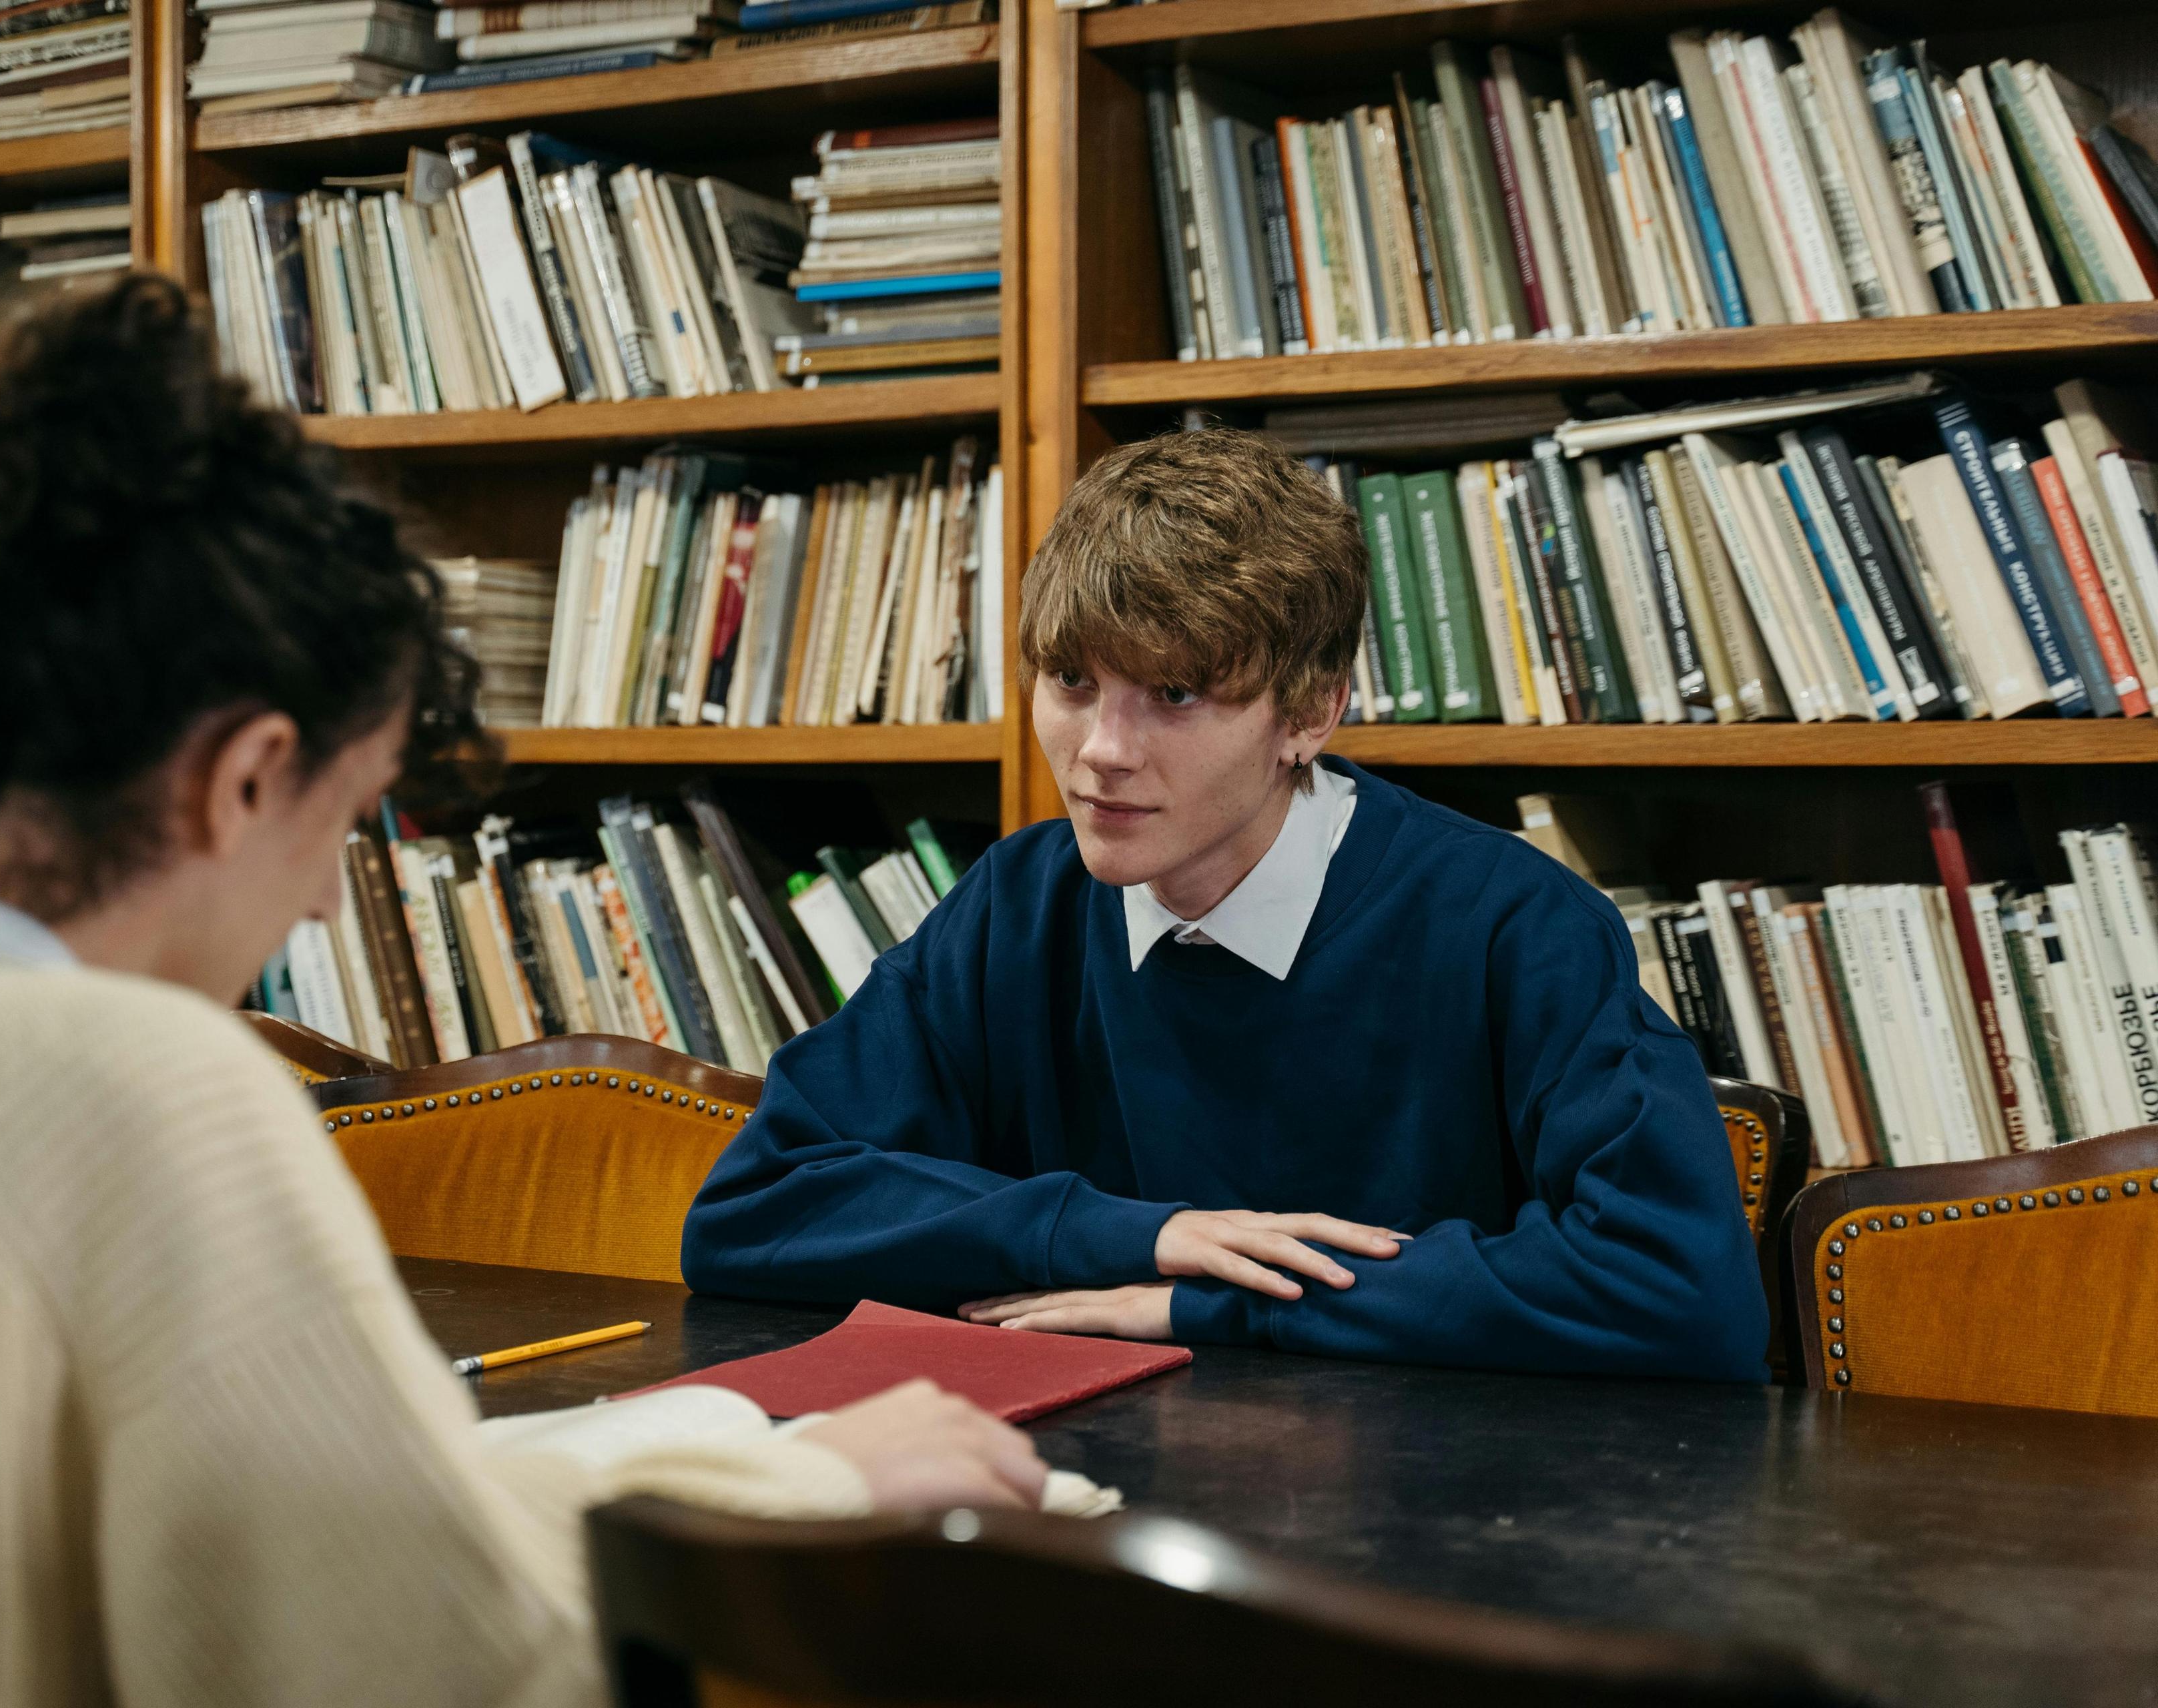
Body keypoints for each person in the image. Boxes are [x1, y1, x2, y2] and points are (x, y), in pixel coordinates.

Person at [0, 276, 1048, 1708]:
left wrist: (692, 1441)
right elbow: (436, 1656)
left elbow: (338, 1524)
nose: (311, 902)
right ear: (241, 777)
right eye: (338, 819)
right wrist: (801, 1484)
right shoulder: (146, 1089)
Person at [681, 428, 1768, 1382]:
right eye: (1069, 680)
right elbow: (757, 1209)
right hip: (1093, 1514)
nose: (1099, 753)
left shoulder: (1516, 925)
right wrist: (1137, 1237)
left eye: (1176, 693)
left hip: (1433, 1529)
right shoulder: (1019, 904)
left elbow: (1680, 1293)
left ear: (1312, 711)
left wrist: (1214, 1304)